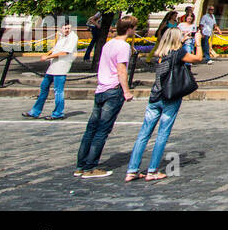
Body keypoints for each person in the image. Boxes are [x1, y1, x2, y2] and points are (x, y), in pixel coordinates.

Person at [124, 25, 203, 181]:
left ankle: (132, 170)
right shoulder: (179, 53)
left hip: (154, 97)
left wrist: (184, 40)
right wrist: (198, 43)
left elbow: (176, 53)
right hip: (170, 97)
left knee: (143, 134)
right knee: (162, 134)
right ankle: (152, 171)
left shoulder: (161, 54)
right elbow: (198, 58)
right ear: (176, 39)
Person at [75, 15, 137, 178]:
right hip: (113, 90)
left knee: (91, 128)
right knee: (102, 130)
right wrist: (126, 91)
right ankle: (90, 167)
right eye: (134, 27)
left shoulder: (109, 44)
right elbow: (121, 70)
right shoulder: (123, 46)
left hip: (101, 89)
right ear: (129, 29)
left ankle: (80, 166)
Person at [24, 21, 78, 120]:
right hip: (53, 66)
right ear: (61, 28)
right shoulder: (61, 36)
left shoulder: (72, 37)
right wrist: (47, 55)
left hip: (61, 67)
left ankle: (58, 113)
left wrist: (47, 57)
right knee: (44, 87)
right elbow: (55, 48)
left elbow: (65, 52)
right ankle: (35, 112)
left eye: (69, 28)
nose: (67, 30)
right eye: (65, 28)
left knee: (58, 91)